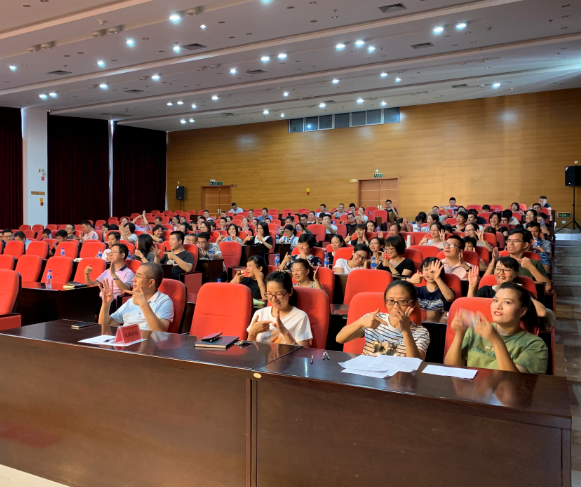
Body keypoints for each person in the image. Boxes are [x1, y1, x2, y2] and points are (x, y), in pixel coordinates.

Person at [444, 282, 548, 374]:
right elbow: (450, 369)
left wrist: (495, 340)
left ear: (522, 311)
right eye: (495, 300)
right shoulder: (476, 329)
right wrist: (459, 334)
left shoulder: (535, 344)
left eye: (507, 302)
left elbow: (514, 383)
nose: (498, 306)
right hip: (470, 388)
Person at [336, 280, 430, 358]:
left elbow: (415, 365)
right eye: (391, 301)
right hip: (367, 371)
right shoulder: (375, 319)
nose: (395, 307)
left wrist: (406, 331)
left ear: (413, 304)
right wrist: (360, 322)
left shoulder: (421, 332)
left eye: (402, 301)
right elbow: (339, 339)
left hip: (397, 374)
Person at [468, 258, 555, 330]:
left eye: (506, 270)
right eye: (498, 269)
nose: (501, 273)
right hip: (486, 328)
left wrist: (518, 290)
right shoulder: (486, 290)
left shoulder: (520, 291)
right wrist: (472, 287)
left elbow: (541, 312)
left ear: (516, 274)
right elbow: (469, 309)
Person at [99, 262, 174, 333]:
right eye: (135, 275)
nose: (133, 280)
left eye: (138, 276)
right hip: (126, 339)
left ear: (151, 282)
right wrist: (106, 304)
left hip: (149, 341)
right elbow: (106, 325)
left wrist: (143, 304)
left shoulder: (164, 301)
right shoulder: (131, 300)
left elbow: (160, 331)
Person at [247, 271, 312, 346]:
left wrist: (285, 332)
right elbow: (248, 348)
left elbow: (302, 351)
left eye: (278, 294)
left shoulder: (300, 317)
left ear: (290, 292)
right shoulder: (260, 314)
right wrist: (252, 333)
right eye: (269, 294)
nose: (273, 299)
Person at [85, 243, 135, 307]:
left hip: (113, 302)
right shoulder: (107, 271)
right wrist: (86, 274)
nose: (111, 254)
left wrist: (114, 275)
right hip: (100, 299)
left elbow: (125, 290)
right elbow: (92, 284)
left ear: (122, 255)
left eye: (114, 252)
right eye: (110, 252)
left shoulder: (128, 272)